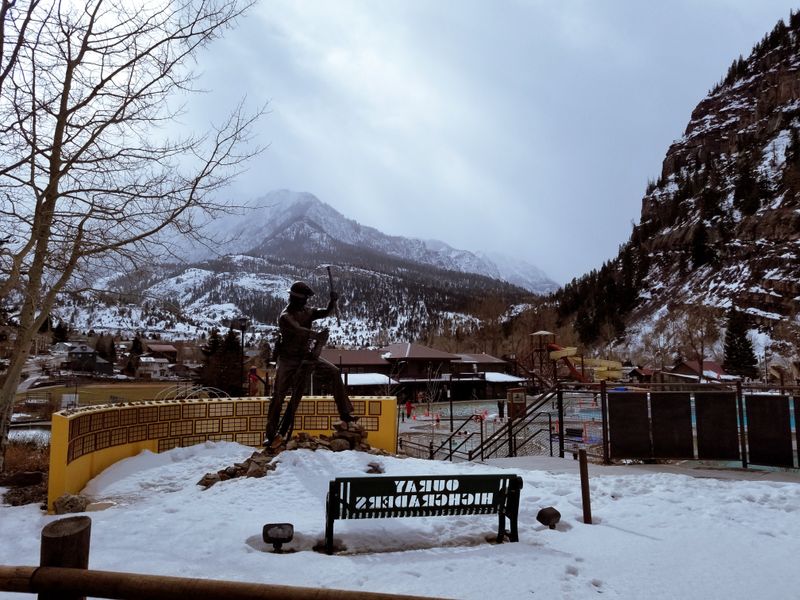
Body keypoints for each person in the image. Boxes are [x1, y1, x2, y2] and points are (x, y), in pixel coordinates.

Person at [264, 281, 357, 448]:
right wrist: (317, 335)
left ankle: (346, 413)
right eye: (303, 298)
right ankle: (271, 434)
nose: (306, 302)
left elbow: (325, 312)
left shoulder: (307, 311)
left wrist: (331, 302)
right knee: (278, 397)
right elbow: (299, 329)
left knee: (334, 372)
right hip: (288, 360)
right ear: (294, 298)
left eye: (306, 299)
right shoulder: (285, 316)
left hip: (306, 357)